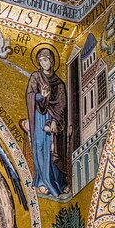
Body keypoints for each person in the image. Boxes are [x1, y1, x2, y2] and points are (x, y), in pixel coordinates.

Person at [25, 48, 69, 197]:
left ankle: (58, 181)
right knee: (41, 147)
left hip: (54, 119)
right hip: (39, 117)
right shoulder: (35, 77)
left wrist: (56, 120)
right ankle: (43, 181)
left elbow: (62, 104)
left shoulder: (60, 84)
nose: (44, 63)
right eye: (41, 60)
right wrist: (40, 96)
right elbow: (30, 96)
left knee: (54, 149)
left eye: (46, 59)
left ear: (52, 61)